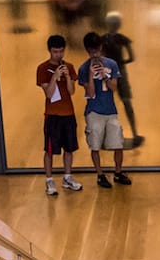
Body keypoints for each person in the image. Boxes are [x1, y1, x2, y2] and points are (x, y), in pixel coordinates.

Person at [78, 32, 132, 189]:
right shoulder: (83, 68)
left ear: (101, 48)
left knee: (117, 142)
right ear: (87, 51)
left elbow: (114, 88)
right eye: (91, 51)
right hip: (93, 111)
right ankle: (100, 174)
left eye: (97, 50)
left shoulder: (112, 64)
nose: (95, 54)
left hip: (110, 110)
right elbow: (90, 93)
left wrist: (104, 75)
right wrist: (90, 74)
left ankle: (118, 171)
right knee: (95, 144)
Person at [37, 34, 82, 196]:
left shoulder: (69, 66)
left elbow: (71, 91)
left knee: (69, 149)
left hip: (68, 114)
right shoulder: (43, 69)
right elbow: (49, 94)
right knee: (49, 150)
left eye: (61, 51)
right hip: (52, 115)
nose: (59, 55)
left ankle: (67, 177)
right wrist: (55, 77)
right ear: (49, 51)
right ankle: (49, 180)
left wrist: (68, 77)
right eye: (55, 52)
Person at [101, 12, 144, 147]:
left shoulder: (103, 39)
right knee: (127, 103)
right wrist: (121, 63)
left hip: (108, 73)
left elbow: (100, 57)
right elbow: (131, 57)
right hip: (120, 72)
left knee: (106, 104)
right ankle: (135, 133)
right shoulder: (123, 39)